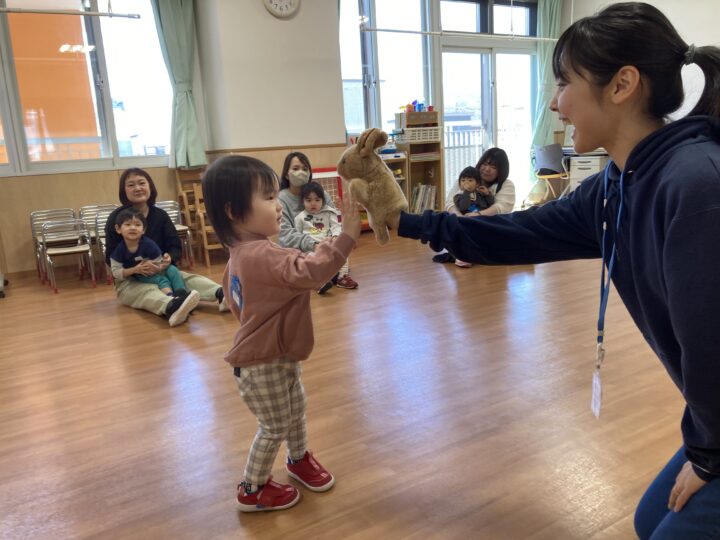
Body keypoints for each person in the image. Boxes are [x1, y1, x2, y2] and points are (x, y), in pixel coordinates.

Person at [390, 3, 720, 538]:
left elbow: (711, 345)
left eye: (564, 83)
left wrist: (707, 458)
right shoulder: (616, 185)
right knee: (647, 521)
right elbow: (519, 233)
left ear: (622, 85)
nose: (554, 103)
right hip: (711, 422)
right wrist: (407, 221)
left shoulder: (695, 184)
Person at [201, 155, 360, 512]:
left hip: (276, 356)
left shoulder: (242, 252)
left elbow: (241, 300)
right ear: (233, 211)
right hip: (263, 363)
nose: (278, 206)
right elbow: (312, 272)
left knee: (295, 410)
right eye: (269, 198)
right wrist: (346, 236)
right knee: (274, 426)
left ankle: (298, 458)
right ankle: (252, 488)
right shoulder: (259, 254)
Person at [104, 168, 228, 327]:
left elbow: (175, 246)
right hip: (130, 278)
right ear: (124, 190)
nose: (138, 188)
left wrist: (168, 258)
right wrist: (137, 269)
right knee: (146, 291)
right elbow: (110, 257)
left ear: (150, 187)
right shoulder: (116, 218)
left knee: (184, 277)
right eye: (131, 185)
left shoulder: (160, 215)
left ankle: (222, 294)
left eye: (142, 183)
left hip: (160, 270)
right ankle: (172, 306)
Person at [278, 151, 359, 292]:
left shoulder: (321, 193)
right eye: (295, 169)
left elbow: (332, 219)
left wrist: (340, 238)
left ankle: (341, 275)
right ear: (286, 174)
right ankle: (320, 278)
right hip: (301, 247)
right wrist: (314, 245)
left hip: (324, 240)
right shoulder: (282, 199)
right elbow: (286, 235)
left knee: (340, 250)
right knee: (298, 258)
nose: (301, 172)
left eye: (305, 169)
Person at [433, 147, 516, 266]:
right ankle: (463, 254)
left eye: (493, 167)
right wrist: (460, 217)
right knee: (450, 222)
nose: (487, 169)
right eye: (485, 164)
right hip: (464, 219)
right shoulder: (467, 178)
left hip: (491, 224)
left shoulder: (506, 185)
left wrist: (476, 215)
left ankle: (465, 254)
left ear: (501, 170)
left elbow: (500, 208)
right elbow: (450, 203)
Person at [110, 207, 191, 297]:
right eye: (128, 224)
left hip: (156, 268)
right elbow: (116, 272)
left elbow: (159, 261)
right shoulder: (119, 250)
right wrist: (135, 270)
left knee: (173, 270)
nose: (133, 228)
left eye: (137, 225)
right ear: (118, 229)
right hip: (139, 274)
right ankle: (171, 297)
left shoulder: (149, 244)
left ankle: (181, 292)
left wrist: (161, 265)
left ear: (144, 230)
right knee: (160, 279)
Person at [294, 181, 356, 292]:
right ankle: (319, 282)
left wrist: (336, 236)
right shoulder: (300, 217)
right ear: (302, 201)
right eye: (309, 200)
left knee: (342, 251)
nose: (313, 203)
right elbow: (297, 236)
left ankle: (342, 276)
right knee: (309, 261)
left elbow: (336, 226)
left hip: (328, 244)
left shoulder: (329, 212)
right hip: (311, 248)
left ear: (323, 200)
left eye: (317, 200)